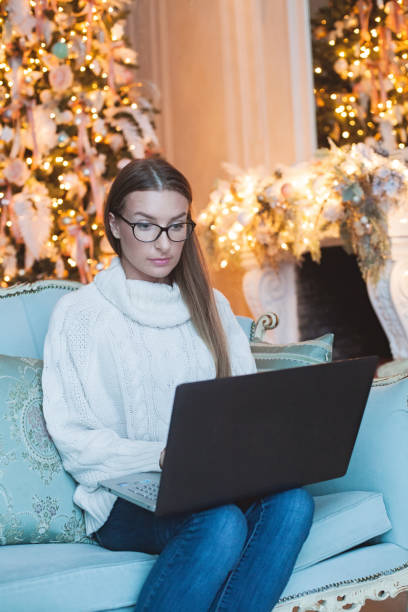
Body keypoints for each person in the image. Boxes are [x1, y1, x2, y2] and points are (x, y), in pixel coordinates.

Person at [42, 157, 314, 612]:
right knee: (220, 523)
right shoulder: (80, 316)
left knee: (293, 504)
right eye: (146, 226)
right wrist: (164, 456)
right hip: (122, 497)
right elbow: (75, 441)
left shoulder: (212, 305)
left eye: (176, 226)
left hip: (212, 483)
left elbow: (243, 403)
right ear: (115, 224)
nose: (164, 244)